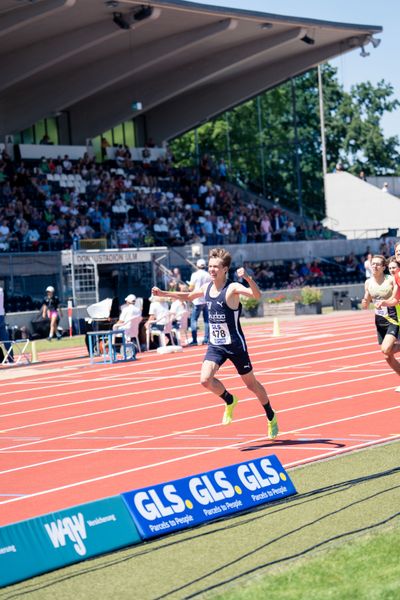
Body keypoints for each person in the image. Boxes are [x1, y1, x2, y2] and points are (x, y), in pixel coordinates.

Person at [151, 247, 279, 439]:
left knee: (251, 385)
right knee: (204, 380)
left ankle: (271, 416)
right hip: (216, 345)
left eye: (216, 267)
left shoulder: (233, 288)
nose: (212, 270)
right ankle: (229, 400)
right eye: (210, 266)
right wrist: (164, 293)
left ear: (225, 269)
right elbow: (188, 296)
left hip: (235, 345)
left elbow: (257, 296)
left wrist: (249, 279)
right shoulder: (206, 288)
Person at [361, 255, 400, 380]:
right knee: (387, 356)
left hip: (393, 318)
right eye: (373, 264)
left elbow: (396, 296)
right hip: (379, 320)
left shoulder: (391, 280)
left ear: (384, 267)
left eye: (378, 264)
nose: (374, 266)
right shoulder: (368, 282)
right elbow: (366, 299)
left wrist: (385, 302)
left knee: (386, 348)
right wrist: (365, 302)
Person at [188, 258, 211, 345]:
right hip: (206, 299)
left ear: (197, 266)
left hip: (197, 300)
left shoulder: (194, 275)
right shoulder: (208, 274)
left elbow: (191, 287)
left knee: (193, 320)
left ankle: (194, 340)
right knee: (206, 321)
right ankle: (206, 339)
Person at [0, 286, 13, 362]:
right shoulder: (1, 290)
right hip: (1, 316)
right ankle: (10, 359)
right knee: (5, 339)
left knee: (5, 339)